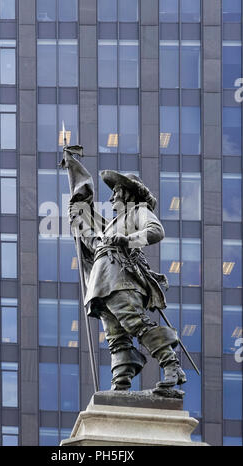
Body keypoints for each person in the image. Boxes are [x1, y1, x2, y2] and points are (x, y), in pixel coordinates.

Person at [65, 153, 186, 391]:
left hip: (121, 278)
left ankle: (171, 365)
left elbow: (156, 231)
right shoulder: (111, 224)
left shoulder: (138, 211)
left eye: (116, 192)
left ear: (128, 194)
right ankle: (121, 382)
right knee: (115, 336)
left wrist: (127, 239)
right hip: (102, 281)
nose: (111, 198)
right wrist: (78, 219)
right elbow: (94, 245)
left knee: (134, 321)